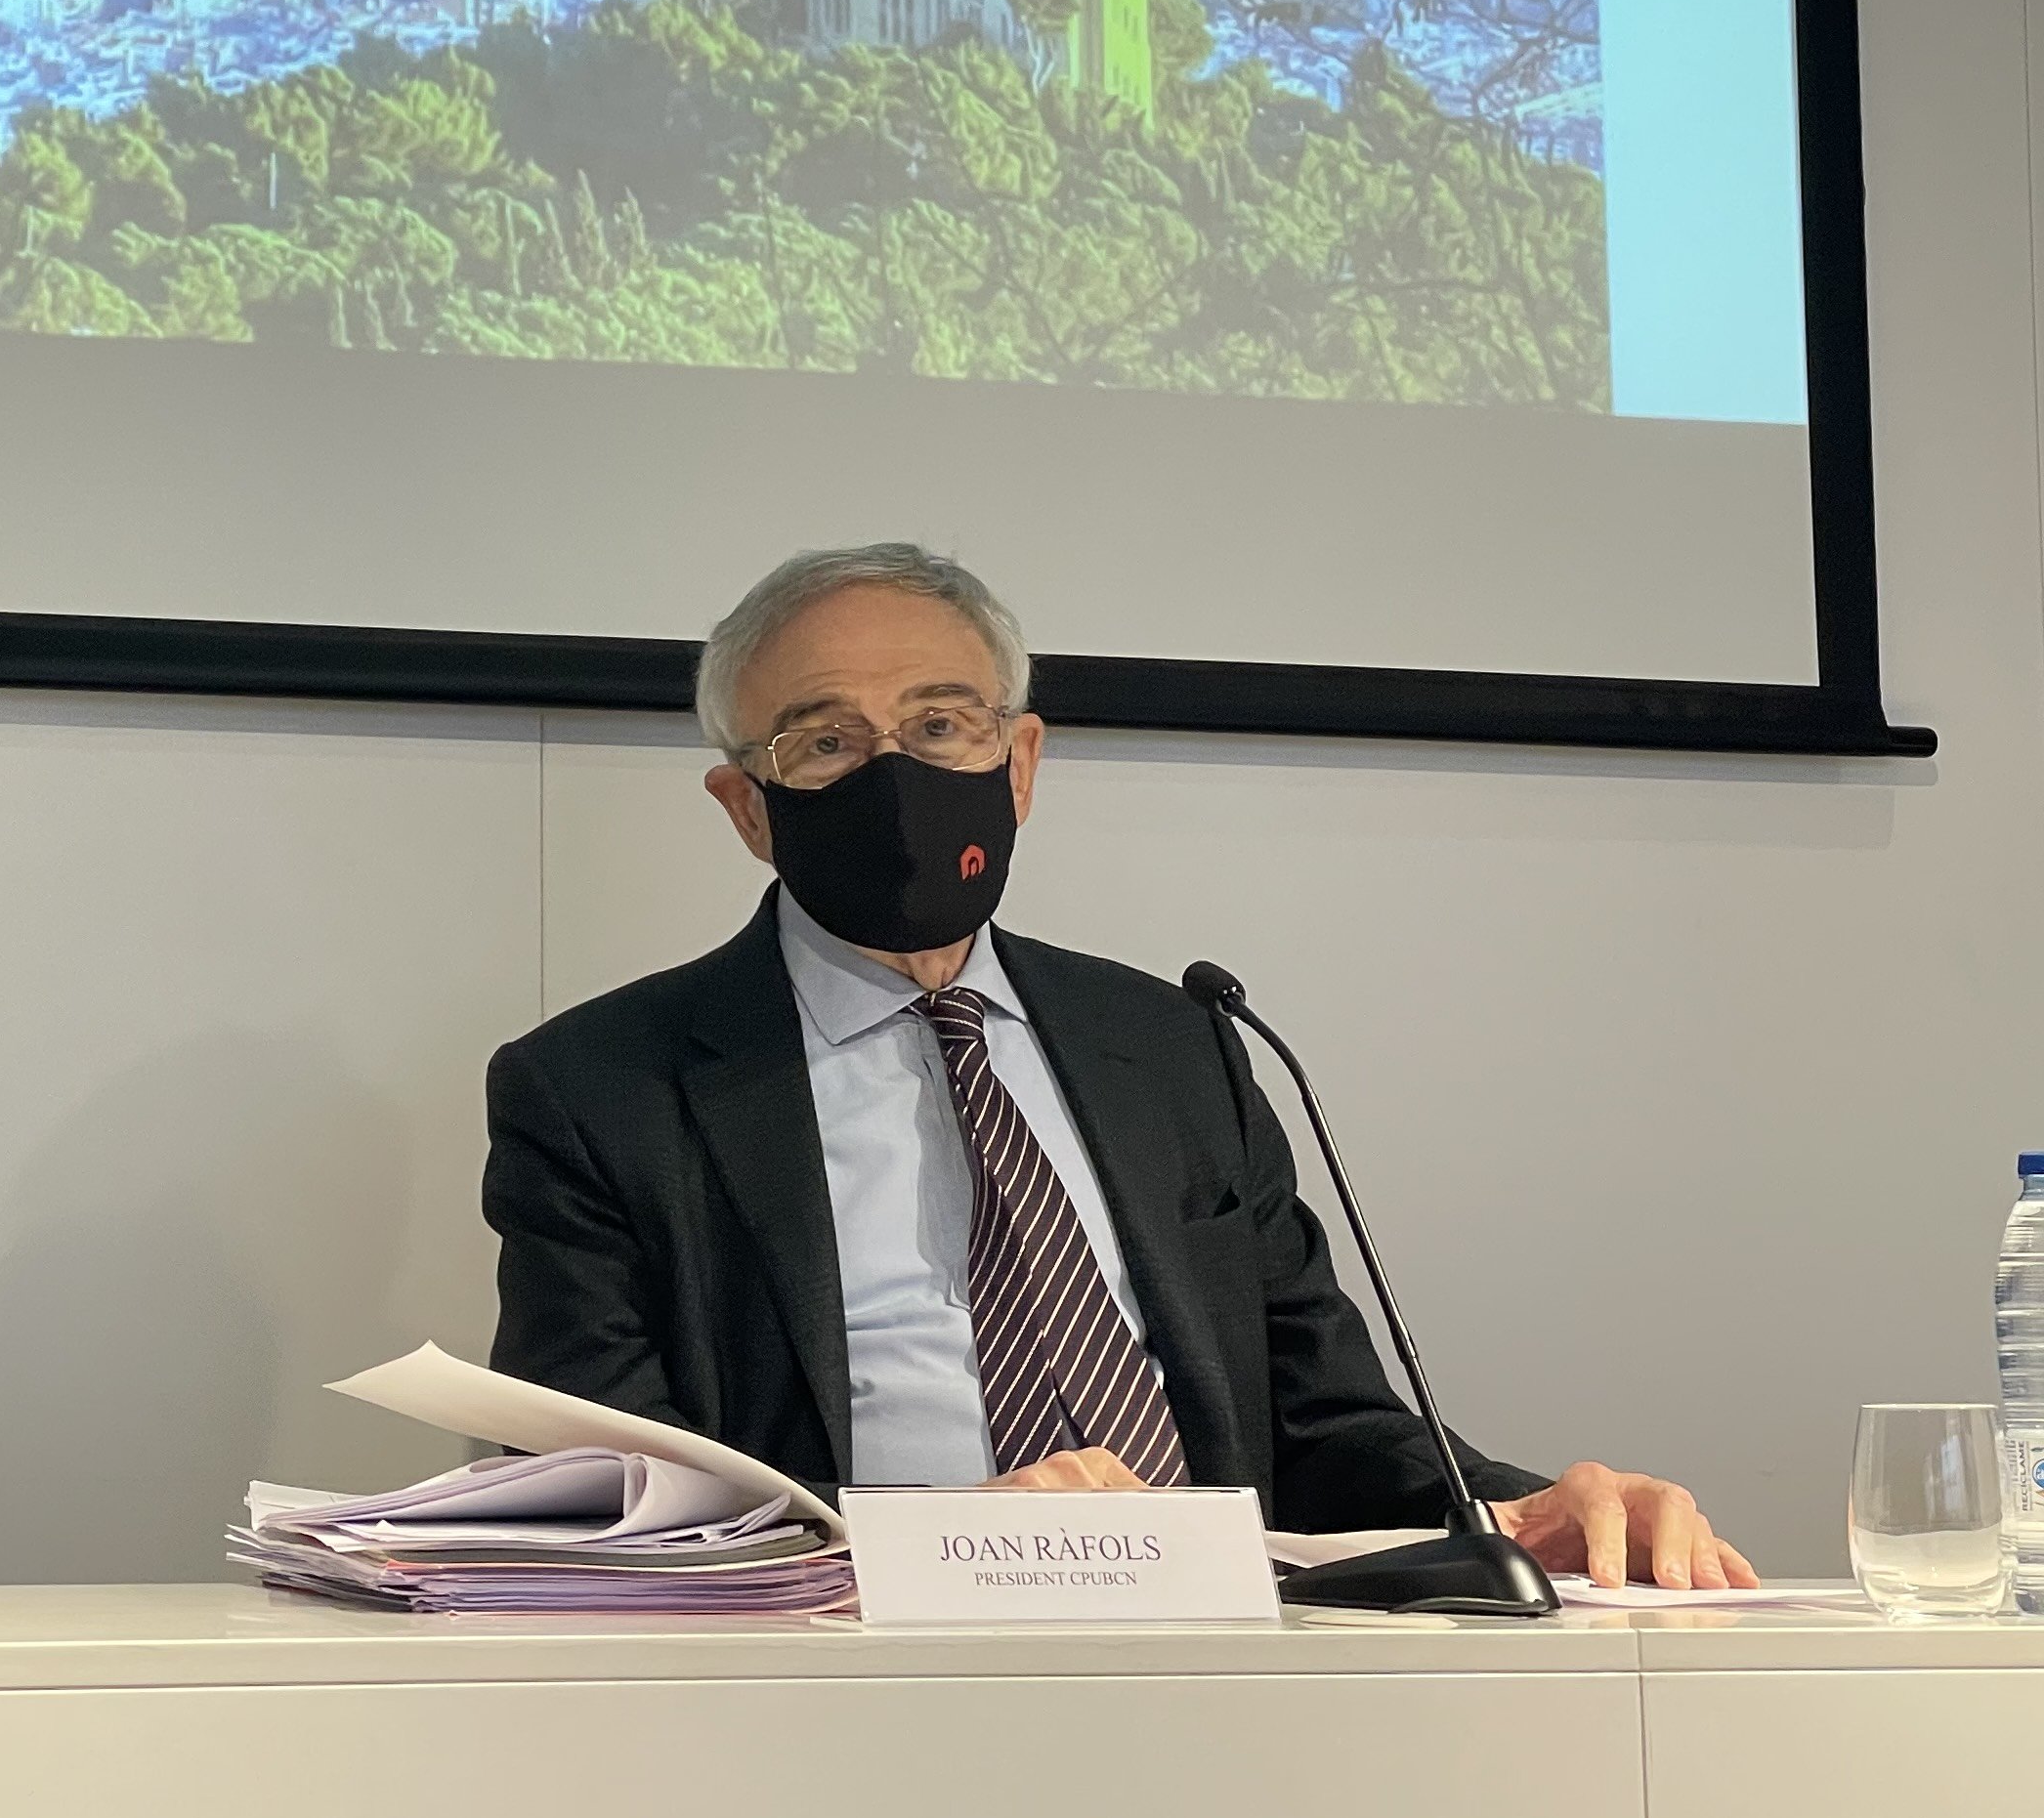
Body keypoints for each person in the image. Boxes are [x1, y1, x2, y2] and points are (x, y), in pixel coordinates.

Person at [485, 542, 1755, 1585]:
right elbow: (620, 1499)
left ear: (1020, 763)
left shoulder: (1178, 1049)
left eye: (940, 723)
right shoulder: (601, 1093)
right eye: (826, 744)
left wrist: (1524, 1513)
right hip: (848, 1684)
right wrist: (945, 1549)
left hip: (1231, 1655)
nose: (894, 774)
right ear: (747, 809)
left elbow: (1320, 1423)